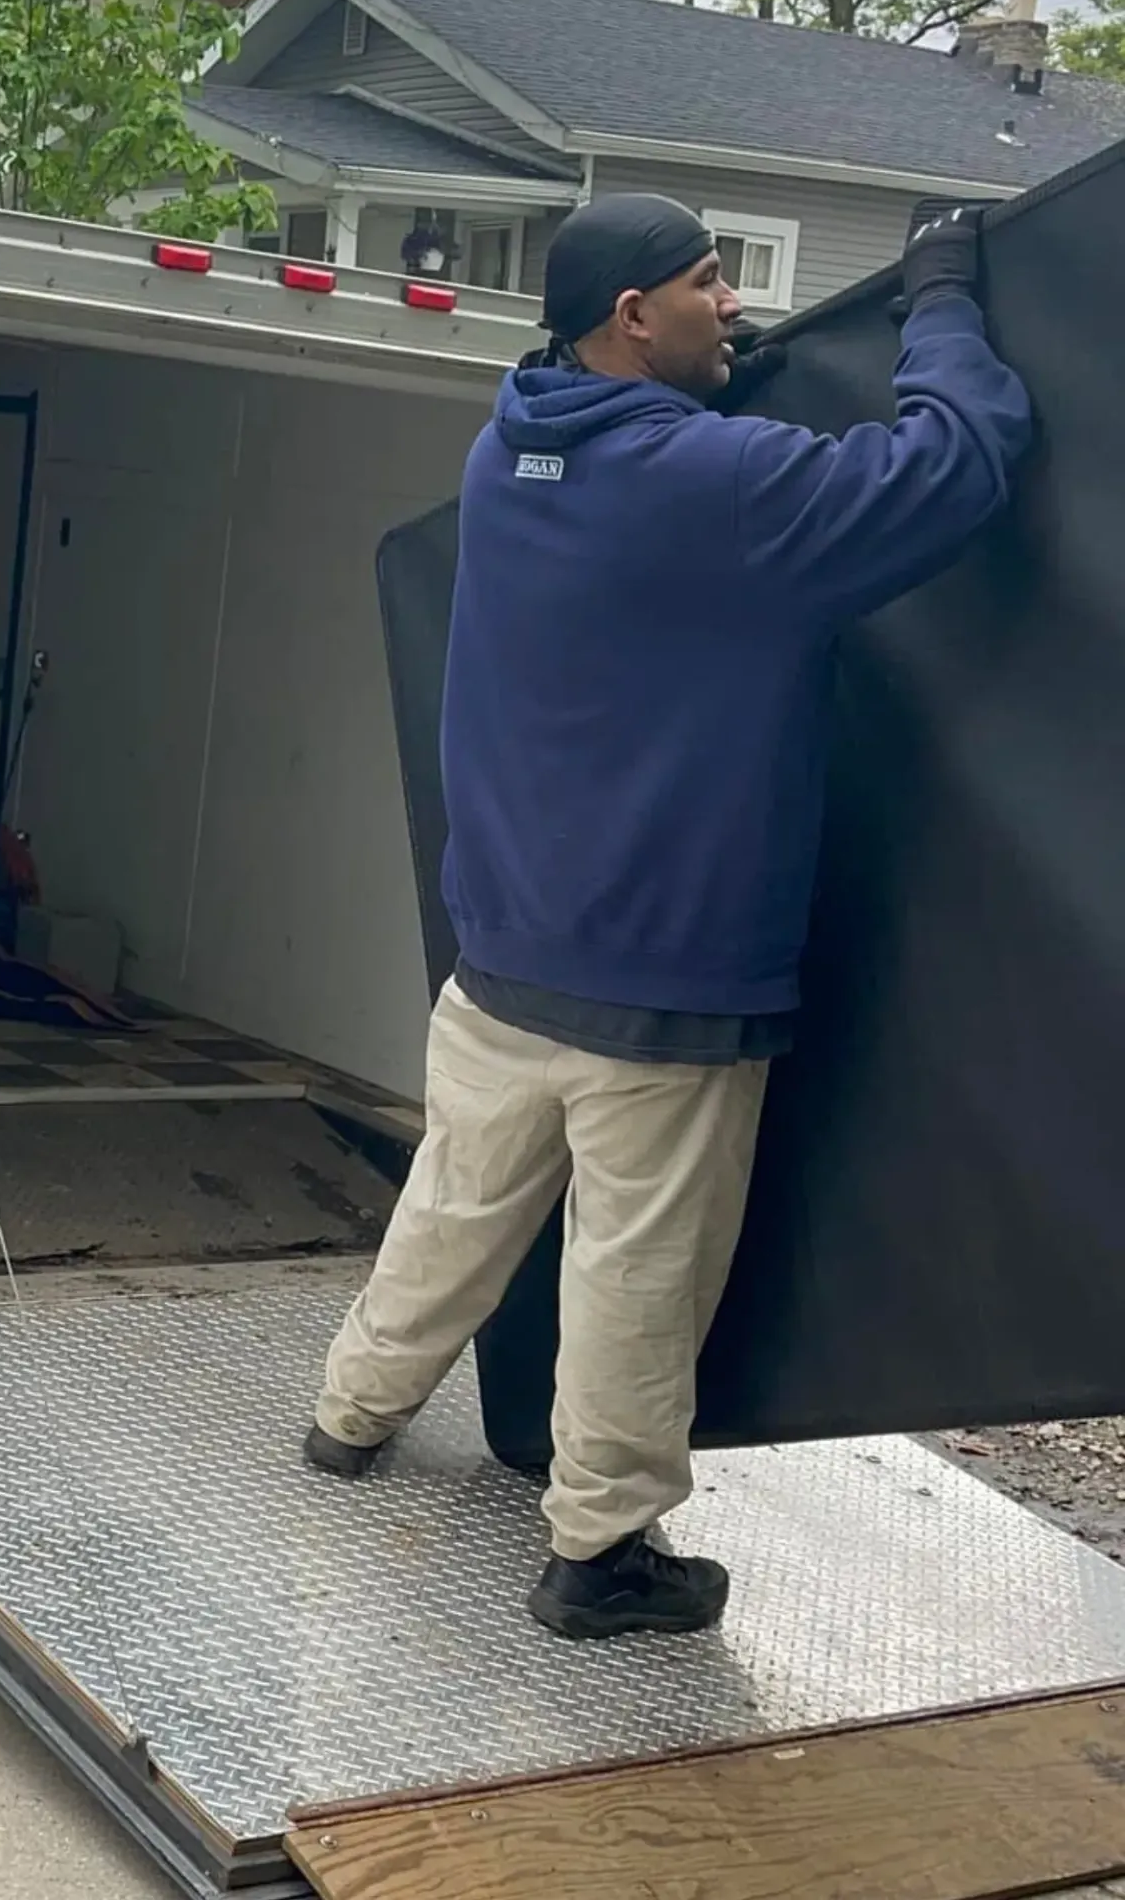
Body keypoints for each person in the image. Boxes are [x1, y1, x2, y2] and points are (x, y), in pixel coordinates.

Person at [304, 193, 1033, 1640]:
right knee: (636, 1275)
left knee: (458, 1204)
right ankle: (600, 1551)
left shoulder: (514, 443)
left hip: (507, 951)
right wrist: (943, 301)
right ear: (634, 314)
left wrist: (723, 385)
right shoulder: (722, 489)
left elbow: (651, 475)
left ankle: (351, 1415)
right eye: (710, 285)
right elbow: (958, 465)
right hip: (665, 985)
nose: (732, 307)